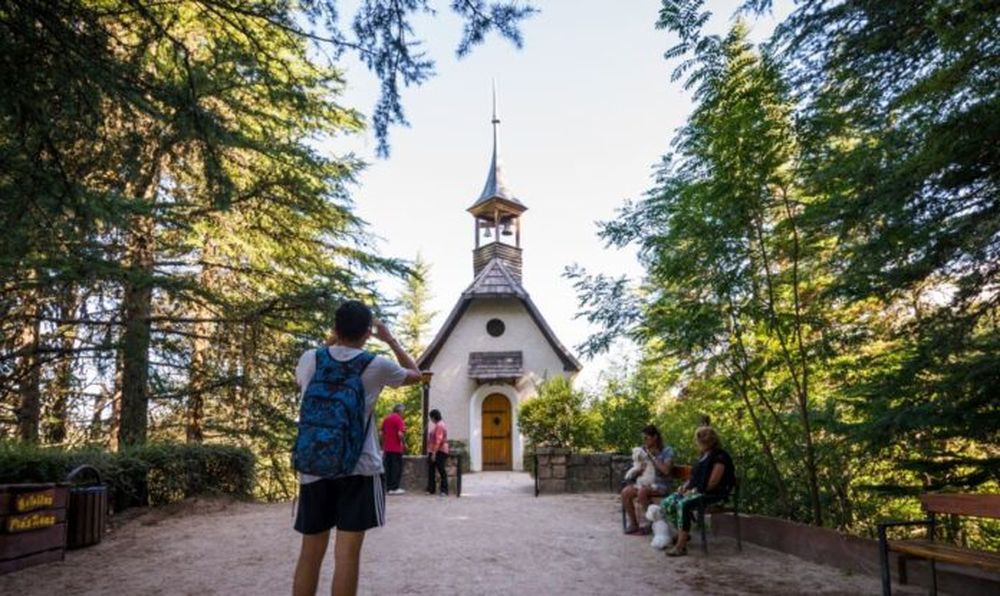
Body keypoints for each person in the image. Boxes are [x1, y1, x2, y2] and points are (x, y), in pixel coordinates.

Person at [292, 301, 422, 596]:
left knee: (310, 554)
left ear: (335, 329)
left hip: (314, 468)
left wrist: (332, 340)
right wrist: (388, 338)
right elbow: (417, 375)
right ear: (367, 333)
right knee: (347, 557)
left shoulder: (310, 358)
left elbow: (300, 382)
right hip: (359, 469)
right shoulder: (376, 365)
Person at [662, 426, 736, 557]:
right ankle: (683, 534)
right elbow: (693, 477)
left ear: (710, 441)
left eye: (701, 440)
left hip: (713, 493)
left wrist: (693, 491)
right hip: (697, 491)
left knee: (683, 504)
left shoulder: (720, 456)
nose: (699, 442)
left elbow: (713, 483)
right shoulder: (703, 455)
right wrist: (684, 486)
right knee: (668, 502)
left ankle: (681, 546)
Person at [621, 424, 674, 534]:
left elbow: (666, 471)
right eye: (643, 438)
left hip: (661, 485)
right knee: (626, 492)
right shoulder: (643, 450)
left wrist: (652, 457)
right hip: (645, 482)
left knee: (642, 492)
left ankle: (651, 524)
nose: (644, 441)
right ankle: (634, 524)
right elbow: (637, 469)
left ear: (655, 437)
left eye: (646, 438)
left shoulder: (667, 450)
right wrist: (639, 471)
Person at [381, 403, 406, 495]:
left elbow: (381, 433)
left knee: (388, 468)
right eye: (403, 411)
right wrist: (404, 443)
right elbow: (400, 434)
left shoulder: (386, 419)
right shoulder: (399, 419)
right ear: (400, 411)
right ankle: (394, 488)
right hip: (396, 448)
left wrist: (383, 444)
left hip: (387, 448)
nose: (404, 413)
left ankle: (388, 488)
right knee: (396, 468)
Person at [426, 409, 449, 496]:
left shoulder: (439, 425)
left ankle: (444, 490)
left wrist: (434, 453)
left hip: (439, 450)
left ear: (434, 417)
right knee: (431, 470)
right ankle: (431, 489)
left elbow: (438, 440)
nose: (430, 419)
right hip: (435, 450)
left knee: (441, 470)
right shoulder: (438, 425)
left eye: (430, 417)